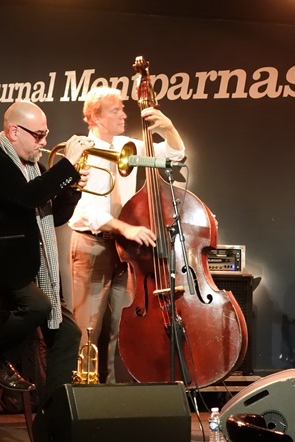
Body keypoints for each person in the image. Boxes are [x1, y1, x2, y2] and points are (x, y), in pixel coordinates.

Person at [0, 100, 90, 400]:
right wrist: (67, 167)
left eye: (45, 135)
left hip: (30, 265)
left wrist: (72, 190)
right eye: (39, 135)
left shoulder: (34, 168)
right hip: (0, 262)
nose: (44, 142)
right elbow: (26, 198)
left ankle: (55, 409)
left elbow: (54, 217)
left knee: (69, 332)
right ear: (14, 131)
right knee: (38, 306)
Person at [67, 86, 186, 383]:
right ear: (95, 117)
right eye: (116, 110)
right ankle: (85, 389)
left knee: (124, 325)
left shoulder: (127, 146)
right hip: (92, 245)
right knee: (88, 326)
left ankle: (116, 390)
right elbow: (87, 210)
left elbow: (173, 156)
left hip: (123, 248)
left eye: (122, 109)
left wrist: (169, 128)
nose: (124, 114)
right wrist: (126, 227)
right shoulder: (83, 150)